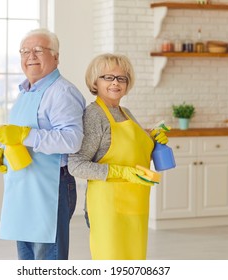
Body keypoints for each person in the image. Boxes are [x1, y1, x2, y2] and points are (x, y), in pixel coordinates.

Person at [0, 28, 86, 260]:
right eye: (25, 51)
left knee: (46, 259)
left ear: (56, 56)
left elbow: (72, 140)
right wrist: (3, 151)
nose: (30, 56)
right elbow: (20, 139)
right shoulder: (26, 91)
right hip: (23, 187)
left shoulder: (62, 92)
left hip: (50, 187)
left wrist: (24, 134)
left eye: (38, 50)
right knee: (27, 258)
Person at [68, 53, 168, 260]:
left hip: (136, 202)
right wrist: (119, 172)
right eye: (108, 77)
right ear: (95, 80)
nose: (115, 83)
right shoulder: (94, 115)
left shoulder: (126, 112)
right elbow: (76, 164)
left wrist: (153, 142)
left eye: (121, 78)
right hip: (108, 208)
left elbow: (134, 156)